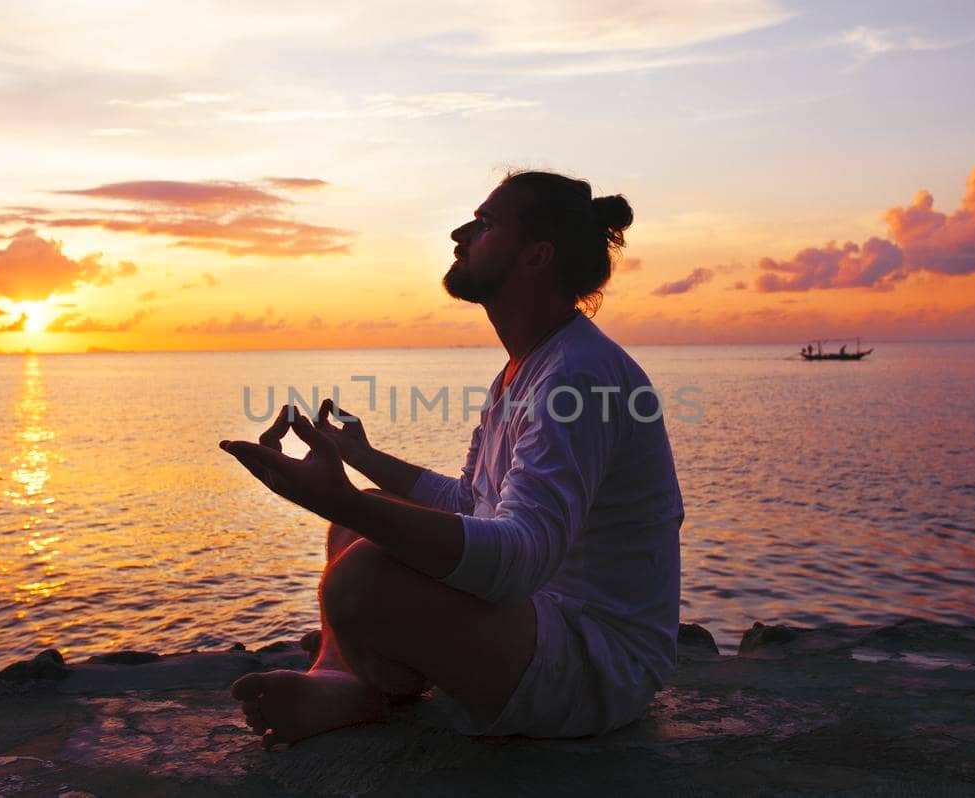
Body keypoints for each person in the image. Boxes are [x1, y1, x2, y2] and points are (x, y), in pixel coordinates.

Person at [220, 170, 684, 749]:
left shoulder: (579, 376)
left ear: (538, 255)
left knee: (362, 575)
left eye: (485, 224)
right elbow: (473, 504)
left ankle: (367, 690)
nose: (459, 234)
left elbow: (520, 559)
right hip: (541, 622)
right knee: (354, 524)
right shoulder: (526, 368)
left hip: (598, 667)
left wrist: (335, 496)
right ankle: (343, 680)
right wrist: (361, 461)